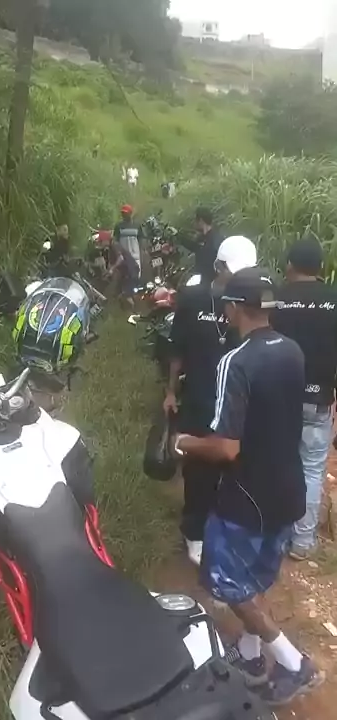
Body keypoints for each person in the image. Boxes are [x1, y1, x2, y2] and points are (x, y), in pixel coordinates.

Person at [174, 267, 323, 707]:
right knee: (255, 575)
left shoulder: (236, 362)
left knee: (227, 583)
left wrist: (183, 443)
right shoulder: (291, 350)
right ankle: (252, 656)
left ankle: (294, 664)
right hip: (288, 488)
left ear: (234, 308)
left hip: (247, 496)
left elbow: (226, 448)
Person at [164, 236, 257, 565]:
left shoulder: (249, 301)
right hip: (200, 395)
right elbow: (177, 348)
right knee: (198, 469)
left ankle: (224, 525)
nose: (239, 278)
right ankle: (194, 531)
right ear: (219, 266)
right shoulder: (193, 298)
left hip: (236, 398)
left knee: (232, 464)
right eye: (234, 271)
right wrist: (171, 391)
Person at [272, 237, 337, 560]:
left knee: (278, 463)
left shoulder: (276, 298)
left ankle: (274, 538)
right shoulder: (334, 299)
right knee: (311, 469)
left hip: (278, 399)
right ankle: (302, 541)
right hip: (318, 398)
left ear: (290, 265)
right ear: (320, 267)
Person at [178, 207, 224, 284]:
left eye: (195, 220)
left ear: (201, 221)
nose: (194, 223)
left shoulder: (215, 240)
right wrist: (178, 236)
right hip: (201, 279)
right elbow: (194, 246)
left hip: (211, 281)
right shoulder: (203, 237)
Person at [109, 205, 141, 308]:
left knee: (135, 276)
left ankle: (132, 298)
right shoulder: (119, 226)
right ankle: (123, 299)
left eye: (126, 213)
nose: (124, 215)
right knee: (123, 276)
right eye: (122, 213)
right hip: (124, 255)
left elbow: (141, 239)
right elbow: (115, 240)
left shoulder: (137, 225)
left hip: (135, 255)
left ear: (130, 213)